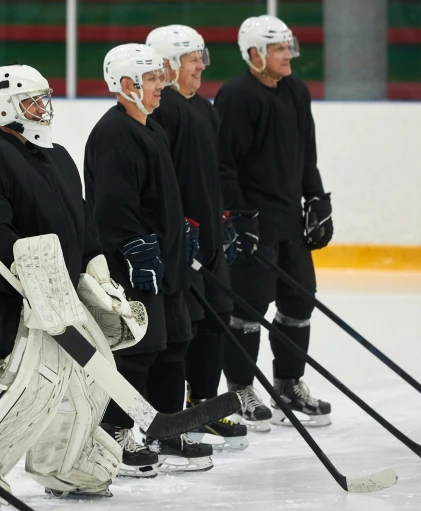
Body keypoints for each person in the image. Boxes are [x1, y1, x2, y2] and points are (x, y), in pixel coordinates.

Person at [0, 63, 147, 511]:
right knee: (13, 385)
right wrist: (30, 280)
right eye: (31, 101)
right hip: (2, 298)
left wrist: (99, 280)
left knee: (83, 378)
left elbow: (82, 229)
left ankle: (68, 464)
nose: (42, 108)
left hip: (61, 299)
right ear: (4, 106)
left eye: (43, 98)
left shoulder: (59, 156)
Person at [85, 43, 203, 475]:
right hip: (134, 266)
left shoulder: (152, 128)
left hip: (163, 261)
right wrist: (136, 250)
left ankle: (166, 428)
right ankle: (114, 435)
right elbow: (112, 209)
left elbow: (161, 199)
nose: (162, 85)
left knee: (176, 341)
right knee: (139, 351)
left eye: (159, 77)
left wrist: (181, 235)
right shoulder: (114, 134)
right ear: (127, 85)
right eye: (152, 79)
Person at [215, 15, 334, 432]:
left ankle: (287, 383)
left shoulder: (297, 92)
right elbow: (224, 165)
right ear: (254, 55)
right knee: (248, 309)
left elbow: (307, 156)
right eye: (278, 49)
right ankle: (241, 388)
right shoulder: (235, 97)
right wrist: (237, 215)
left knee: (300, 304)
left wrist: (317, 199)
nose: (287, 56)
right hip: (253, 222)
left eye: (288, 47)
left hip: (289, 221)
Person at [146, 25, 248, 453]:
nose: (201, 68)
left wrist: (224, 217)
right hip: (181, 240)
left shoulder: (204, 108)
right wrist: (181, 230)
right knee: (184, 325)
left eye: (202, 59)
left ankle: (205, 404)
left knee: (215, 319)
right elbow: (163, 181)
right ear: (168, 65)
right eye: (193, 60)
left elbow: (214, 173)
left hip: (208, 237)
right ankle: (174, 414)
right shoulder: (164, 110)